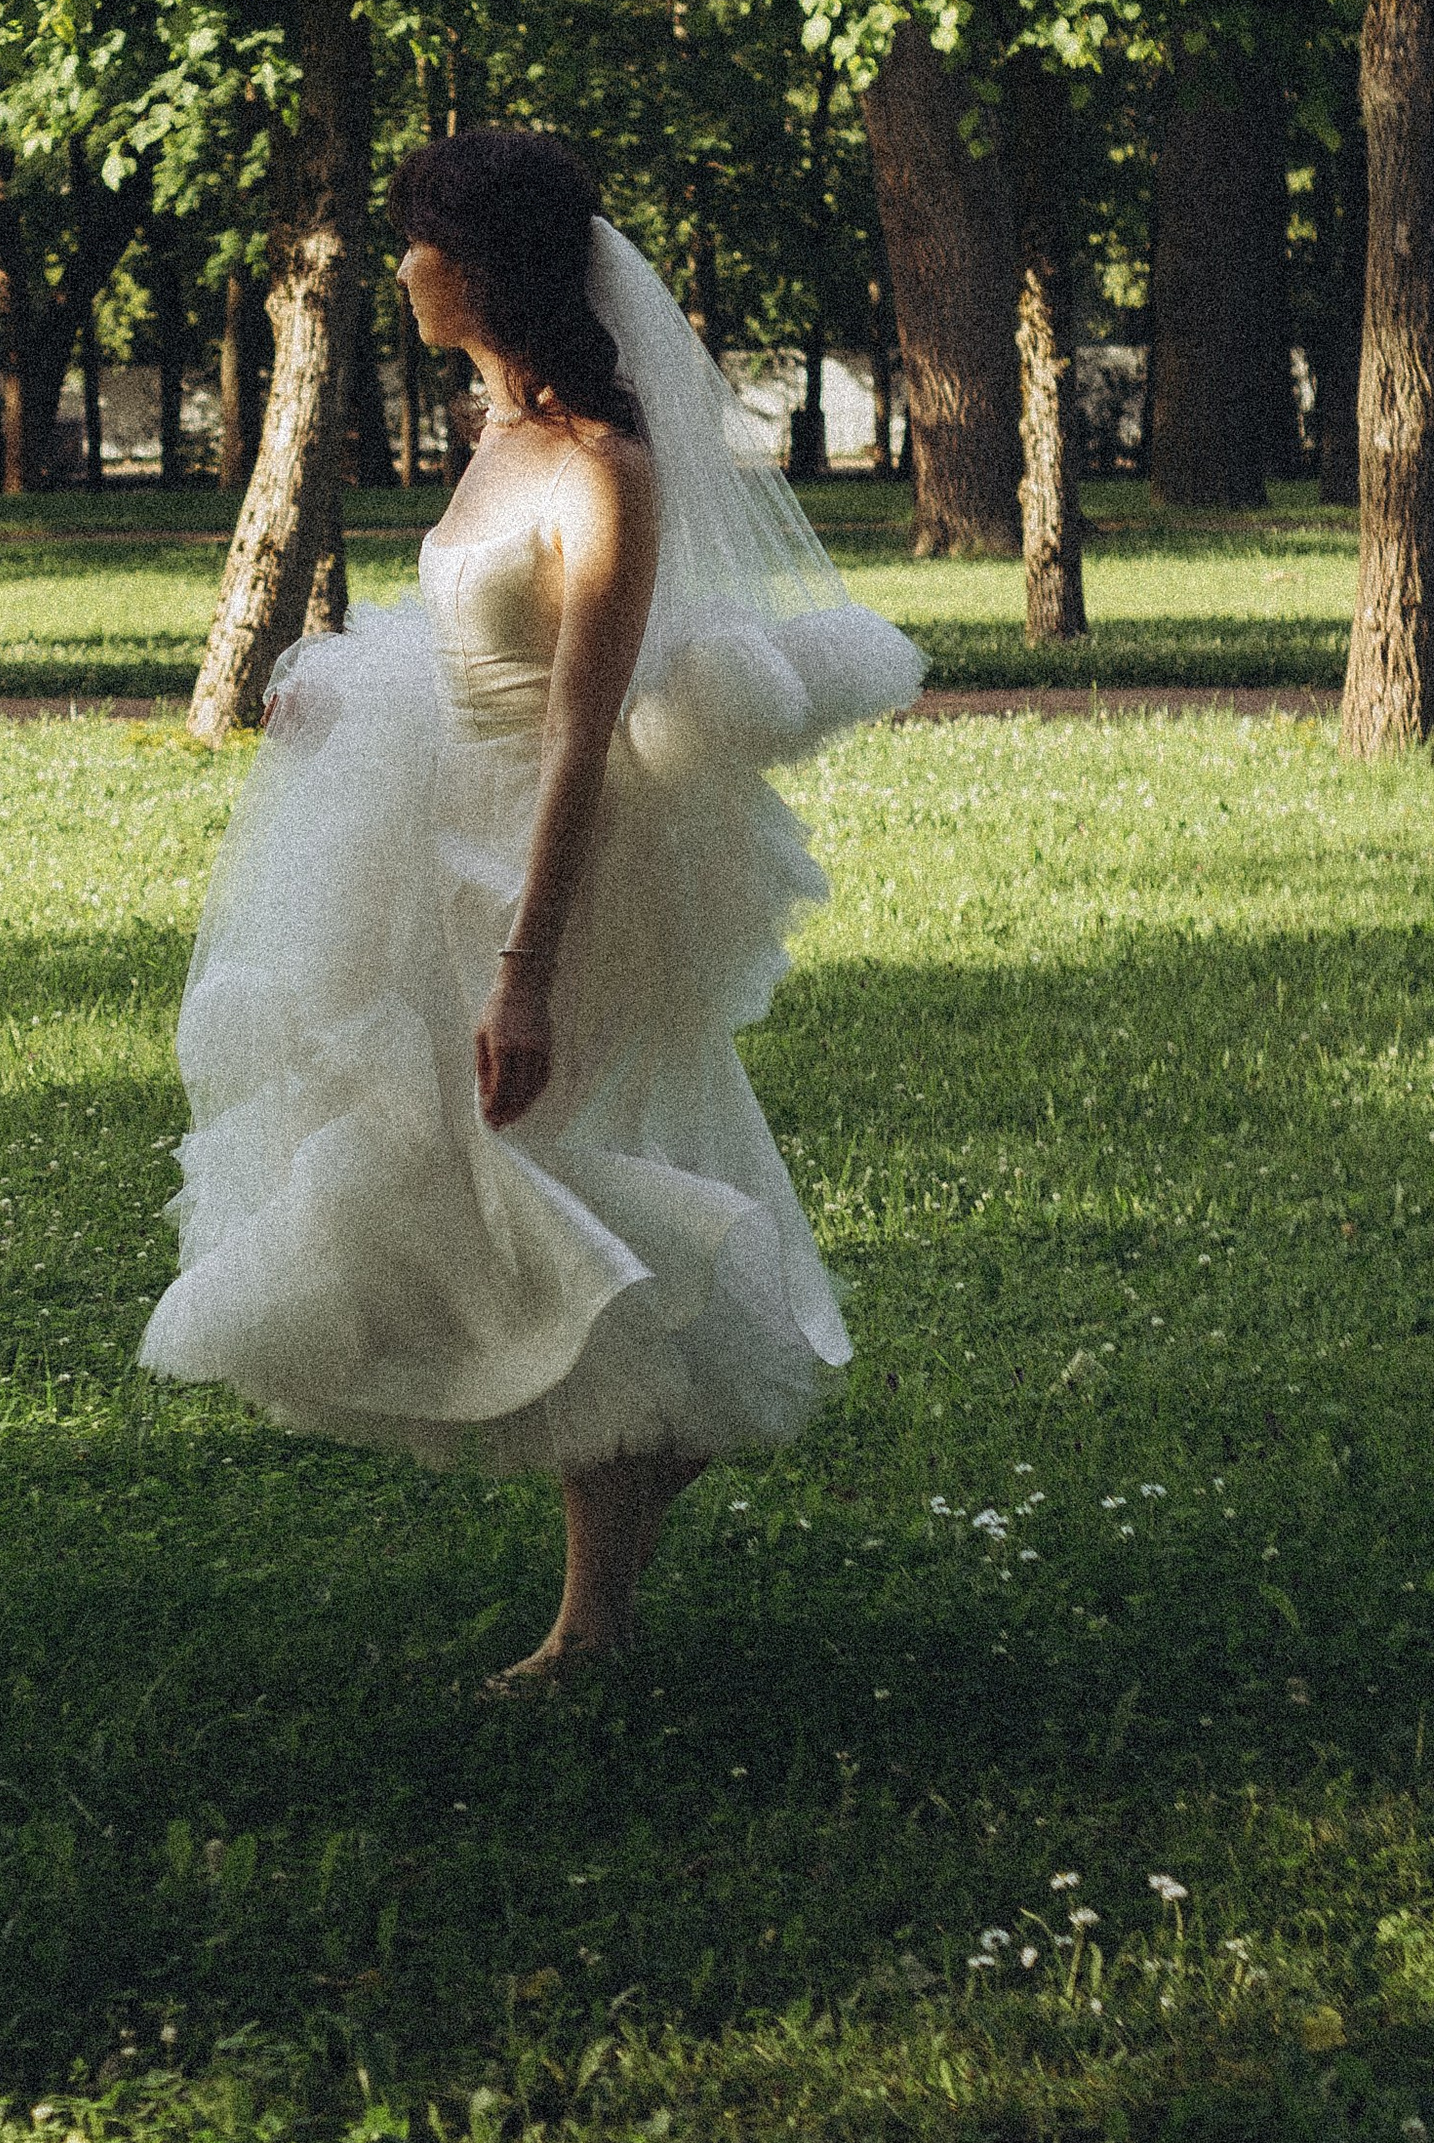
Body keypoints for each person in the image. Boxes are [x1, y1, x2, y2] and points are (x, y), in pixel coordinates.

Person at [139, 128, 925, 1685]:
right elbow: (471, 655)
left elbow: (579, 727)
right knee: (477, 1188)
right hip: (430, 835)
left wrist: (528, 972)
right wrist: (353, 710)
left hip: (554, 869)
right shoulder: (494, 433)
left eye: (421, 240)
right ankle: (618, 1556)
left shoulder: (604, 470)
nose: (401, 267)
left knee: (553, 1183)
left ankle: (599, 1607)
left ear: (483, 264)